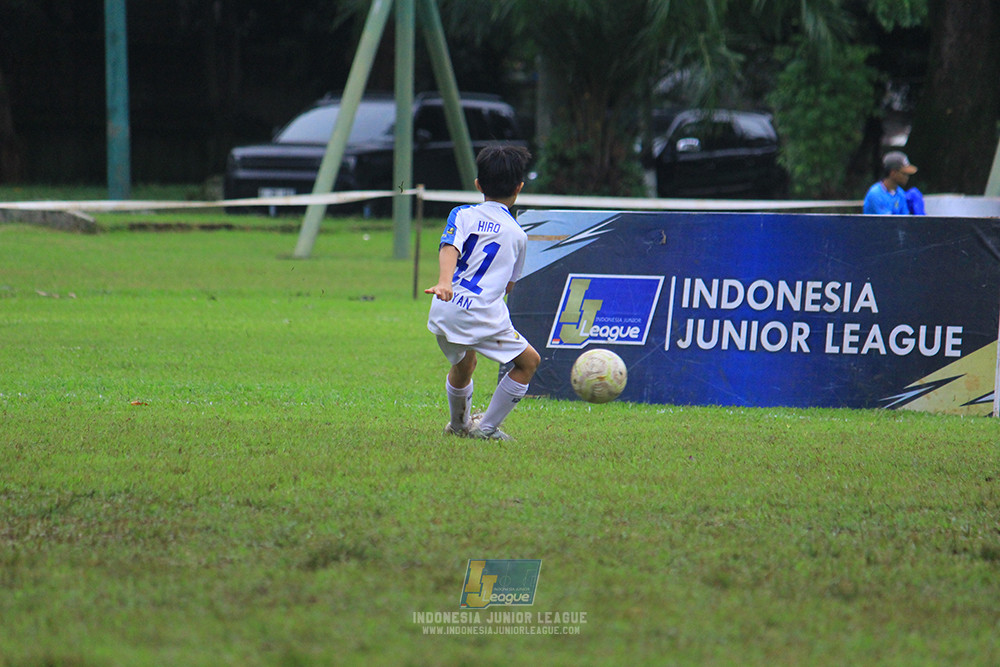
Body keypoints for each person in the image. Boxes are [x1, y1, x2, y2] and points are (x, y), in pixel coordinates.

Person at [425, 145, 540, 441]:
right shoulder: (518, 235)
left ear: (478, 185)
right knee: (528, 362)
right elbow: (509, 286)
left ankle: (459, 425)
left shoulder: (462, 213)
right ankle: (486, 428)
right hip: (482, 313)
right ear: (519, 188)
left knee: (465, 363)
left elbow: (449, 246)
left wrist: (445, 282)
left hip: (446, 308)